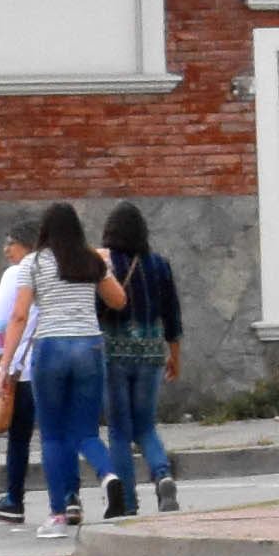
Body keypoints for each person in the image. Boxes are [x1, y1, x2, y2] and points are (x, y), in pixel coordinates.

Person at [11, 199, 123, 532]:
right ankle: (109, 475)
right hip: (89, 346)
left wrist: (6, 363)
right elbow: (118, 300)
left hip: (51, 348)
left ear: (44, 231)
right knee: (86, 431)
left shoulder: (33, 263)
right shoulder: (90, 260)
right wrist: (106, 268)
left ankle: (59, 513)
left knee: (53, 435)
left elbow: (19, 315)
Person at [99, 201, 184, 516]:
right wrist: (174, 356)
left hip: (113, 354)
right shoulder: (159, 264)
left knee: (119, 430)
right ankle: (163, 475)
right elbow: (172, 315)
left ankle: (129, 503)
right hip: (150, 353)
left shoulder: (104, 264)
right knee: (145, 425)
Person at [0, 224, 39, 525]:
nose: (7, 250)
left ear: (27, 245)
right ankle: (70, 499)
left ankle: (13, 499)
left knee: (19, 437)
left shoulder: (14, 275)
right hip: (49, 363)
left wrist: (0, 365)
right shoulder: (54, 269)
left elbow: (1, 322)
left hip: (21, 369)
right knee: (60, 436)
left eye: (12, 243)